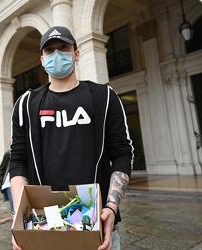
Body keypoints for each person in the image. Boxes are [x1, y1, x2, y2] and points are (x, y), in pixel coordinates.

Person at [9, 26, 134, 250]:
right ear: (42, 58)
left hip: (96, 218)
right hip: (44, 219)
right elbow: (18, 161)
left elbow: (122, 153)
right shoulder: (26, 104)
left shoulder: (104, 97)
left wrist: (111, 207)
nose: (56, 54)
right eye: (50, 50)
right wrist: (19, 218)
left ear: (76, 54)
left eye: (63, 47)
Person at [0, 141, 14, 213]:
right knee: (15, 209)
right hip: (9, 184)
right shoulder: (8, 154)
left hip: (22, 183)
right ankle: (15, 223)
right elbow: (1, 169)